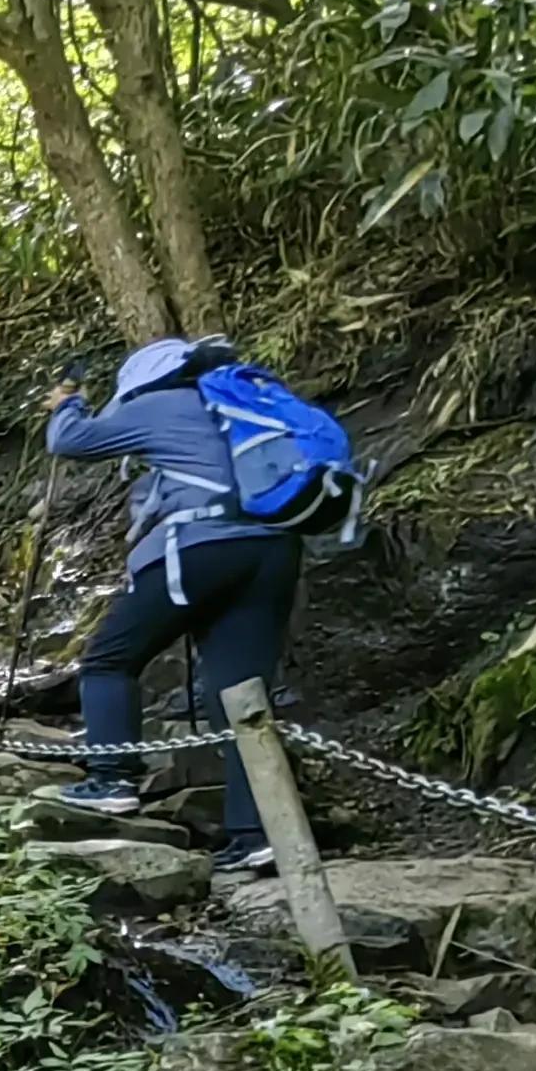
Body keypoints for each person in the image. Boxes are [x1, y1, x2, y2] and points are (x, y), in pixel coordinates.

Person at [42, 334, 322, 878]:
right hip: (273, 548)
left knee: (108, 660)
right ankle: (256, 834)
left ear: (143, 382)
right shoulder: (235, 405)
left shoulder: (158, 403)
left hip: (200, 546)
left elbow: (70, 441)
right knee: (241, 696)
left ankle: (112, 780)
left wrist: (67, 401)